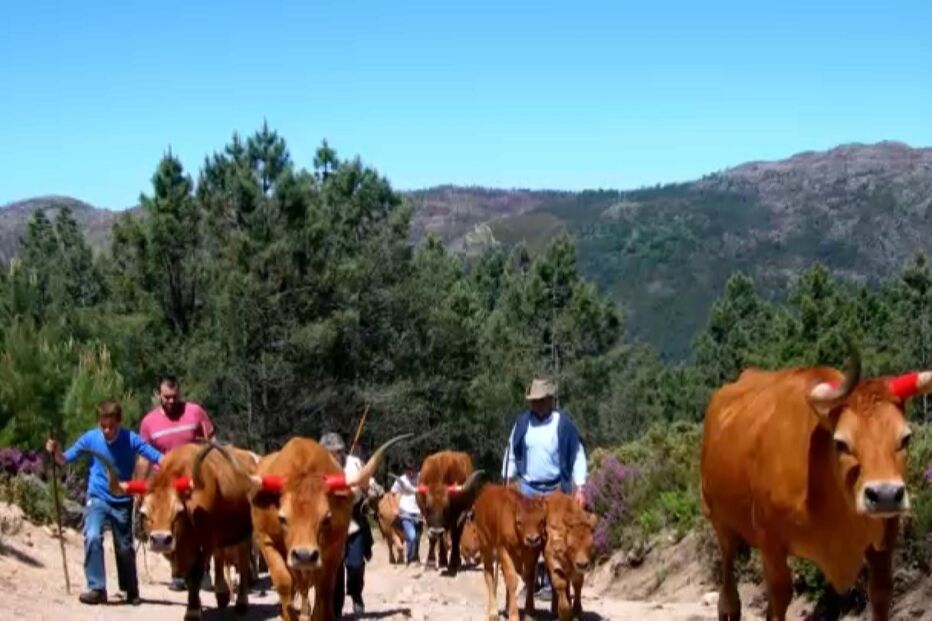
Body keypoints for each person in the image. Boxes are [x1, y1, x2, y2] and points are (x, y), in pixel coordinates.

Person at [45, 400, 164, 606]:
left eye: (111, 426)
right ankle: (97, 588)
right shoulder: (91, 438)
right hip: (97, 496)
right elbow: (64, 459)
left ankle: (130, 589)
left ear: (119, 421)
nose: (107, 430)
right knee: (92, 535)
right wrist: (55, 451)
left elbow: (157, 457)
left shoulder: (130, 439)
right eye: (103, 426)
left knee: (124, 547)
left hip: (122, 499)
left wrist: (177, 464)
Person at [501, 377, 587, 600]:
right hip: (528, 489)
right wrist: (507, 479)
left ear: (550, 400)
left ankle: (553, 587)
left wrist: (580, 487)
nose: (536, 404)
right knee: (527, 537)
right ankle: (529, 582)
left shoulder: (564, 425)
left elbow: (578, 455)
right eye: (533, 401)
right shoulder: (522, 424)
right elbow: (512, 451)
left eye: (540, 400)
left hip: (556, 489)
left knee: (554, 539)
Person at [138, 375, 216, 592]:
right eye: (166, 397)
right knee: (170, 525)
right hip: (164, 485)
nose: (171, 401)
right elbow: (144, 457)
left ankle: (204, 568)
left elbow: (211, 443)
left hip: (193, 481)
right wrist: (140, 486)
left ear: (179, 393)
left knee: (200, 522)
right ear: (158, 395)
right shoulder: (148, 422)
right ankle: (177, 571)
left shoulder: (195, 412)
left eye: (174, 396)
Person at [321, 432, 375, 619]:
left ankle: (356, 593)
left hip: (353, 519)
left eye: (336, 452)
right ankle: (336, 608)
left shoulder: (354, 463)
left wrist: (372, 487)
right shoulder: (318, 467)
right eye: (328, 453)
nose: (333, 456)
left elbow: (366, 478)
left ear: (342, 451)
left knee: (355, 564)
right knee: (334, 568)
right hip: (331, 523)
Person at [390, 457, 423, 565]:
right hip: (405, 511)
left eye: (413, 469)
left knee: (417, 536)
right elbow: (392, 494)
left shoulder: (420, 477)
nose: (411, 472)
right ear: (405, 470)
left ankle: (413, 558)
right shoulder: (401, 480)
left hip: (419, 511)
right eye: (409, 470)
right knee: (411, 535)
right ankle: (411, 559)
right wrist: (394, 508)